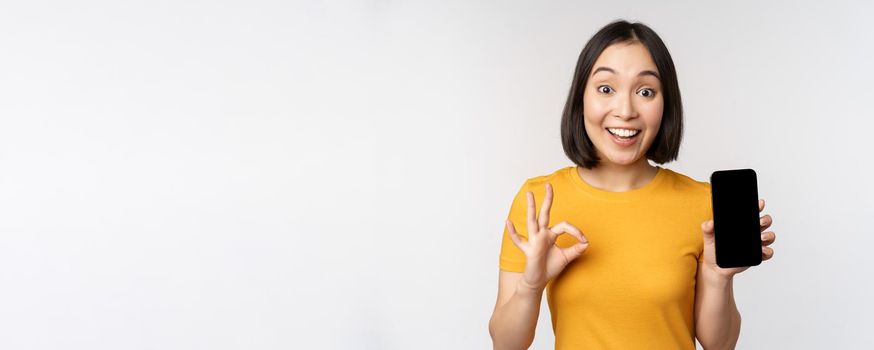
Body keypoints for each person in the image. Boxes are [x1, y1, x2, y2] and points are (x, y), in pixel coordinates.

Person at [487, 20, 777, 350]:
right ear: (581, 96)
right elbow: (505, 345)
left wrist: (716, 275)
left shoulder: (701, 204)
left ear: (666, 103)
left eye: (645, 92)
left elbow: (720, 345)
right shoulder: (540, 201)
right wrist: (531, 284)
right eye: (606, 88)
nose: (625, 111)